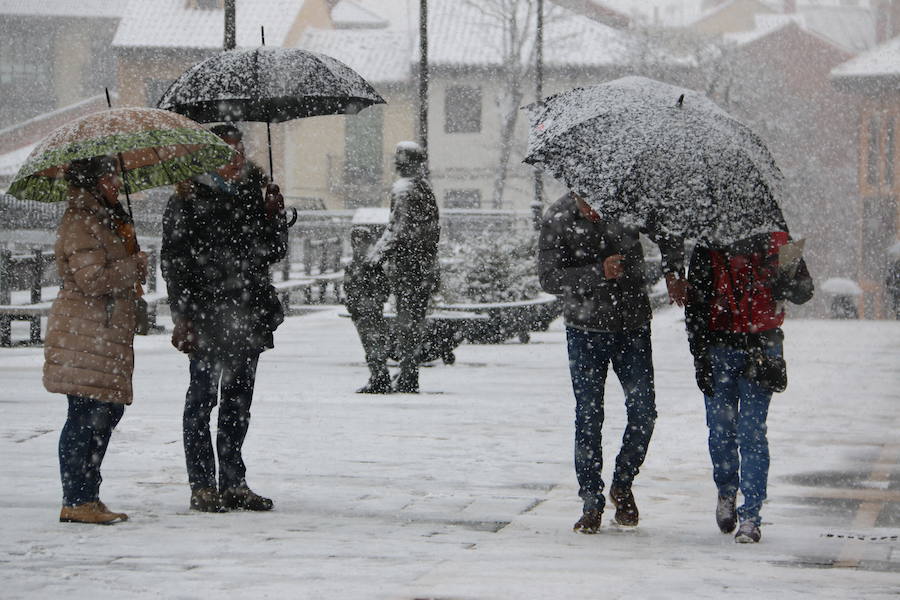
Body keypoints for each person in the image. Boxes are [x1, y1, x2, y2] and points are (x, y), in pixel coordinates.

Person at [538, 192, 684, 534]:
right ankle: (591, 499)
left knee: (644, 411)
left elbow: (669, 231)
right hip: (584, 329)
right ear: (575, 193)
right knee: (588, 415)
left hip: (631, 324)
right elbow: (548, 278)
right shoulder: (558, 216)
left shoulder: (628, 203)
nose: (592, 212)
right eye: (585, 206)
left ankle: (622, 483)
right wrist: (596, 272)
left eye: (597, 205)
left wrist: (673, 271)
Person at [161, 123, 288, 513]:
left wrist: (274, 216)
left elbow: (273, 251)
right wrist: (182, 315)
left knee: (238, 400)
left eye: (238, 149)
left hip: (247, 312)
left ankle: (234, 480)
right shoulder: (187, 199)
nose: (234, 158)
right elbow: (175, 263)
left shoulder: (255, 193)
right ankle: (202, 484)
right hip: (206, 313)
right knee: (202, 398)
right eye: (225, 150)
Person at [684, 232, 813, 543]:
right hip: (720, 346)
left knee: (751, 430)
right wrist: (699, 354)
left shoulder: (778, 241)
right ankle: (727, 491)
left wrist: (785, 282)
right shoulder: (708, 244)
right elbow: (696, 303)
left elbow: (804, 290)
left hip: (761, 345)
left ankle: (751, 513)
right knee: (721, 431)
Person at [44, 155, 148, 524]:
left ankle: (87, 494)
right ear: (91, 182)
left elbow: (110, 271)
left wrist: (132, 257)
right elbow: (91, 280)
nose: (116, 183)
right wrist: (130, 266)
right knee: (86, 414)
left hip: (104, 332)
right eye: (109, 177)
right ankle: (76, 498)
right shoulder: (81, 221)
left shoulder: (107, 218)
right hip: (85, 332)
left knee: (106, 411)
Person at [366, 141, 440, 393]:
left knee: (406, 321)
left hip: (408, 266)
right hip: (423, 265)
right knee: (414, 320)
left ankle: (407, 374)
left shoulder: (404, 188)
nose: (396, 161)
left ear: (412, 162)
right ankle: (409, 371)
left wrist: (375, 256)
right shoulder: (424, 187)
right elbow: (429, 229)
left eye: (401, 157)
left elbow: (397, 228)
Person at [344, 226, 392, 393]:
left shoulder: (370, 266)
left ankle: (380, 377)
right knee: (371, 344)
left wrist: (369, 302)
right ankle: (379, 376)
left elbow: (383, 289)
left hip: (368, 312)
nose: (358, 246)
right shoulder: (355, 266)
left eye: (361, 242)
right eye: (355, 243)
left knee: (374, 345)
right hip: (362, 312)